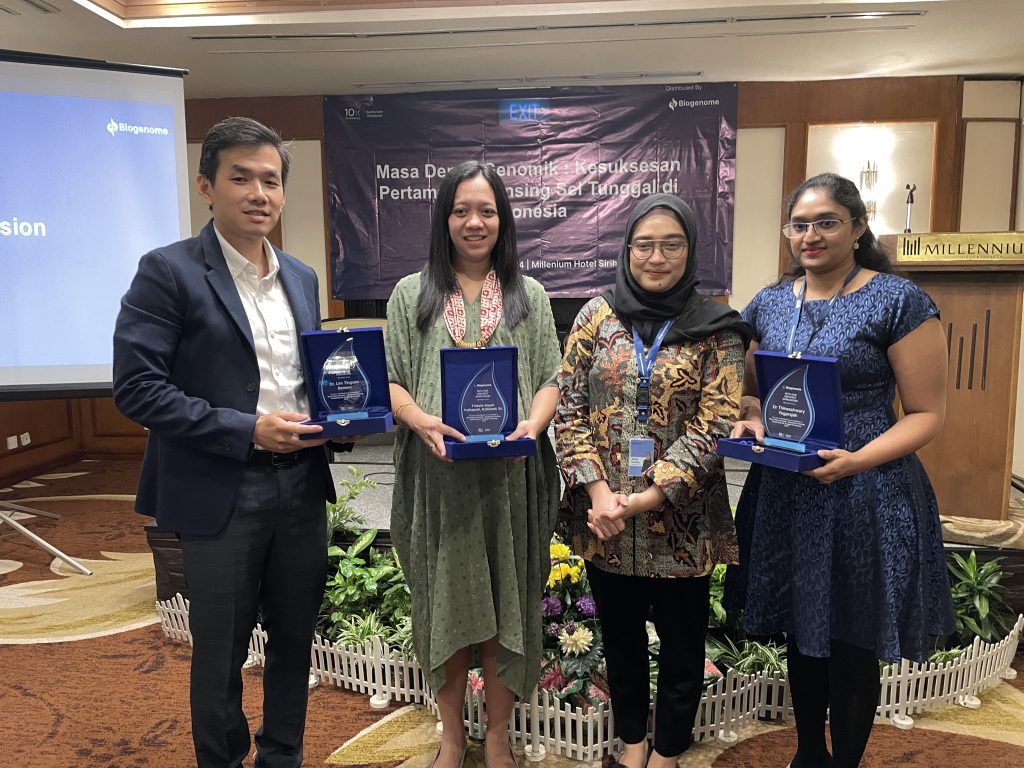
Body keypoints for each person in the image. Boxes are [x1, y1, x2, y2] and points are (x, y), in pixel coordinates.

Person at [113, 117, 346, 768]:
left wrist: (341, 416)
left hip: (301, 486)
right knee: (221, 653)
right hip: (220, 490)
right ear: (206, 187)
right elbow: (138, 388)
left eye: (271, 180)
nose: (258, 194)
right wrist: (246, 430)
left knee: (294, 642)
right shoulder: (168, 272)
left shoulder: (301, 276)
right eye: (241, 178)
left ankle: (282, 757)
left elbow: (304, 377)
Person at [725, 172, 954, 768]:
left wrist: (857, 459)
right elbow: (748, 393)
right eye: (799, 224)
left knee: (852, 639)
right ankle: (808, 754)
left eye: (826, 222)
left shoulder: (899, 300)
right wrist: (752, 417)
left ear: (857, 227)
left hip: (867, 489)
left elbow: (927, 414)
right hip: (788, 487)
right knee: (803, 633)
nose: (811, 235)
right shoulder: (770, 303)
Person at [554, 194, 751, 768]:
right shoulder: (595, 317)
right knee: (621, 643)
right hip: (606, 522)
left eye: (671, 245)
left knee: (683, 649)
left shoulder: (717, 327)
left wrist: (648, 496)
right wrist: (598, 493)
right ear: (627, 249)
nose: (656, 257)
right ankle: (632, 747)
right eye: (644, 244)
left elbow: (716, 421)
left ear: (690, 251)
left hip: (681, 525)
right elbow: (568, 408)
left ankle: (666, 754)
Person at [384, 161, 562, 768]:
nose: (474, 222)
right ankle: (453, 737)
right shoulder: (411, 294)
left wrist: (533, 425)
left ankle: (499, 737)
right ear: (445, 218)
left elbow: (549, 379)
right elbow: (394, 380)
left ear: (503, 219)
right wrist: (419, 420)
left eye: (486, 210)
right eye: (461, 210)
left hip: (509, 481)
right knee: (447, 605)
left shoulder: (528, 295)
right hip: (439, 482)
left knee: (506, 605)